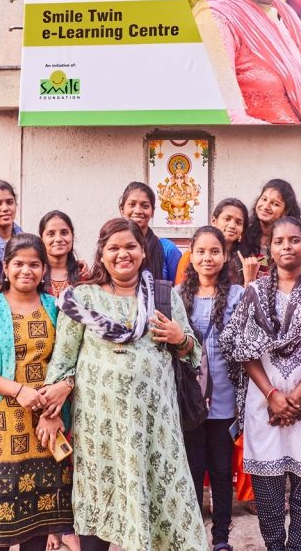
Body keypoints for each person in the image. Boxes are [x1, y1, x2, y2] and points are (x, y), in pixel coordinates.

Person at [45, 218, 205, 550]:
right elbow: (62, 361)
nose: (123, 254)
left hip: (155, 428)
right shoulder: (81, 298)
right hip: (101, 430)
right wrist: (52, 409)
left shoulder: (164, 296)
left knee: (161, 503)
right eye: (114, 248)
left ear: (143, 251)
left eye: (130, 246)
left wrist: (180, 338)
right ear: (101, 254)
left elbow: (192, 355)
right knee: (99, 500)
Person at [221, 218, 301, 551]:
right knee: (268, 492)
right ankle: (274, 546)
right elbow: (242, 349)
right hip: (263, 403)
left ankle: (297, 547)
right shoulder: (254, 291)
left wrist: (295, 397)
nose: (287, 246)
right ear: (269, 249)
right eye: (279, 241)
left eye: (294, 240)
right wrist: (272, 395)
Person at [0, 233, 75, 550]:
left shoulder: (57, 309)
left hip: (46, 428)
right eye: (19, 264)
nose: (27, 270)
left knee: (37, 526)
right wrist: (18, 390)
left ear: (44, 269)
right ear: (7, 267)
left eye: (34, 264)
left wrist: (59, 399)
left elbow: (73, 360)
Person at [176, 226, 245, 551]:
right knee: (191, 470)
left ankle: (220, 538)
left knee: (220, 470)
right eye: (201, 251)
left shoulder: (238, 295)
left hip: (224, 399)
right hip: (188, 400)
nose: (208, 258)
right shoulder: (177, 296)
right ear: (191, 255)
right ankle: (192, 538)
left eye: (214, 251)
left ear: (225, 255)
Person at [174, 197, 257, 287]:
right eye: (227, 219)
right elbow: (180, 291)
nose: (232, 225)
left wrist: (249, 280)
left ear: (243, 229)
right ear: (214, 221)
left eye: (238, 222)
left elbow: (252, 292)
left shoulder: (248, 258)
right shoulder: (194, 255)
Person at [118, 181, 183, 282]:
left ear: (152, 212)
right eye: (132, 204)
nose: (138, 211)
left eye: (145, 206)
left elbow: (179, 288)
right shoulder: (112, 247)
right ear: (122, 209)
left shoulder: (168, 249)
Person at [245, 179, 301, 281]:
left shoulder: (292, 241)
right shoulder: (245, 234)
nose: (266, 206)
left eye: (275, 204)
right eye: (264, 199)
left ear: (285, 211)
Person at [39, 210, 89, 298]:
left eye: (64, 233)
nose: (58, 239)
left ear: (72, 236)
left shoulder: (83, 275)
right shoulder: (36, 273)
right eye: (51, 234)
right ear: (41, 239)